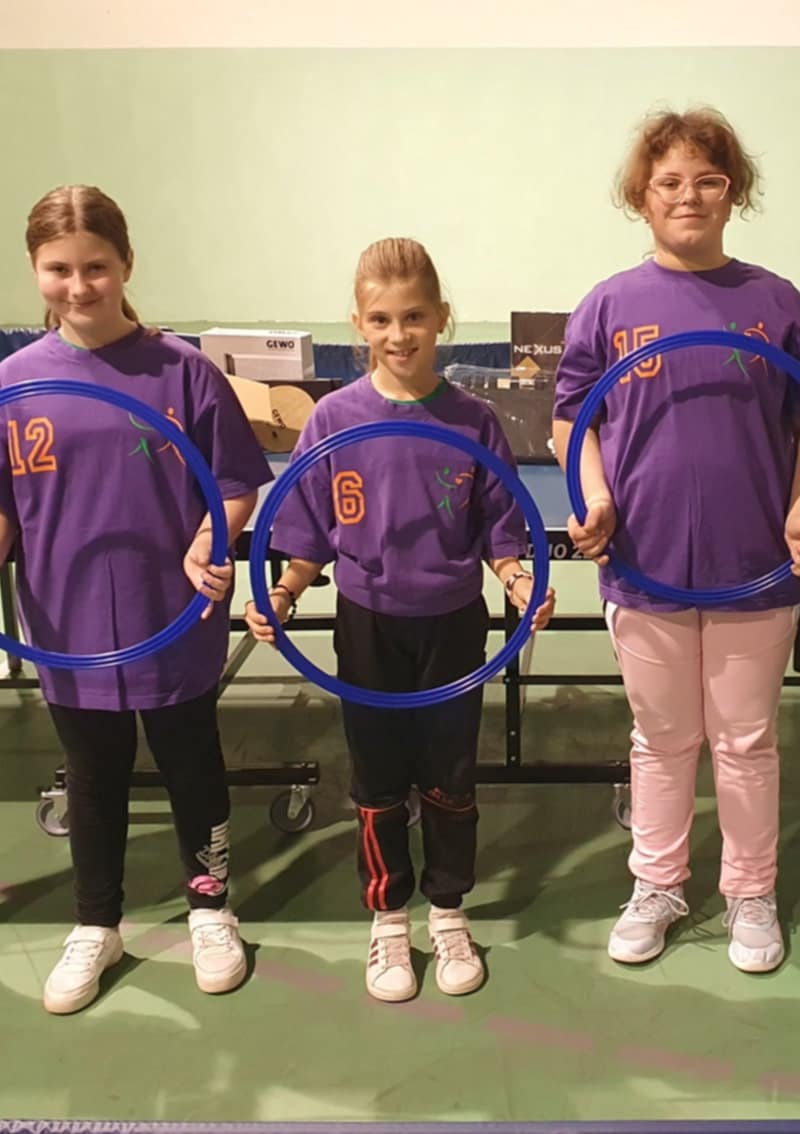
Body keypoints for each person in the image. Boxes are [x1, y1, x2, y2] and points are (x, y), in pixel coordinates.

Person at [0, 185, 270, 1014]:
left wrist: (209, 539)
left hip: (171, 613)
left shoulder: (184, 372)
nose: (78, 286)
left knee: (191, 766)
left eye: (96, 267)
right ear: (36, 270)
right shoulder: (11, 382)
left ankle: (210, 909)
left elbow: (234, 485)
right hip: (66, 621)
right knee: (92, 776)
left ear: (126, 265)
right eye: (59, 269)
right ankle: (96, 924)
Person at [551, 106, 800, 973]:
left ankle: (751, 892)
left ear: (733, 193)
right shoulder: (608, 305)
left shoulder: (776, 302)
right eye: (668, 181)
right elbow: (571, 422)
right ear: (641, 195)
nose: (688, 196)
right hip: (645, 565)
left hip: (755, 568)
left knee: (745, 741)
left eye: (708, 181)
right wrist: (595, 496)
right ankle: (658, 884)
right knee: (662, 739)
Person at [249, 237, 554, 1002]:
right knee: (378, 778)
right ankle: (388, 919)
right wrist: (282, 594)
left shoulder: (474, 420)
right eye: (381, 319)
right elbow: (308, 534)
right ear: (358, 323)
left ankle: (447, 909)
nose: (398, 334)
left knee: (451, 777)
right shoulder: (333, 420)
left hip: (453, 625)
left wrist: (520, 581)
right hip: (367, 624)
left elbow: (500, 529)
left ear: (442, 318)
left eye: (414, 316)